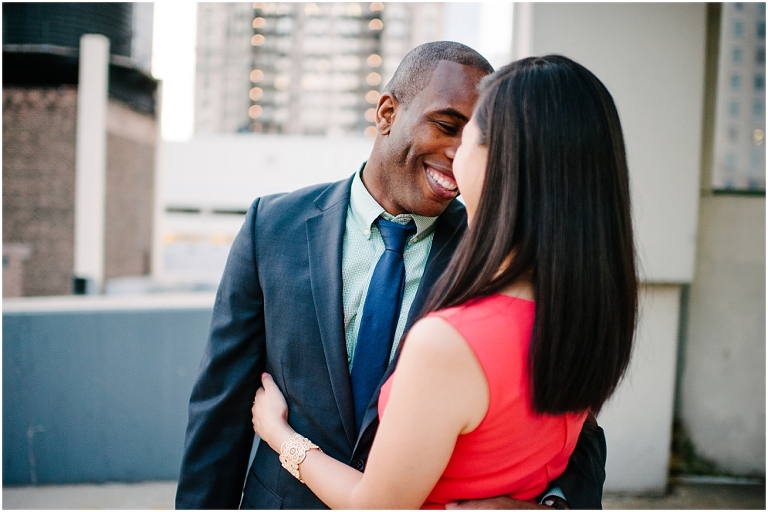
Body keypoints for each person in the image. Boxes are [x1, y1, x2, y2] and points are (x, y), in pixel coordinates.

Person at [176, 44, 608, 510]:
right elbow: (221, 407)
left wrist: (550, 507)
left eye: (475, 139)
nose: (457, 153)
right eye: (446, 126)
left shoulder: (500, 257)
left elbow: (570, 420)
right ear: (386, 113)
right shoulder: (272, 226)